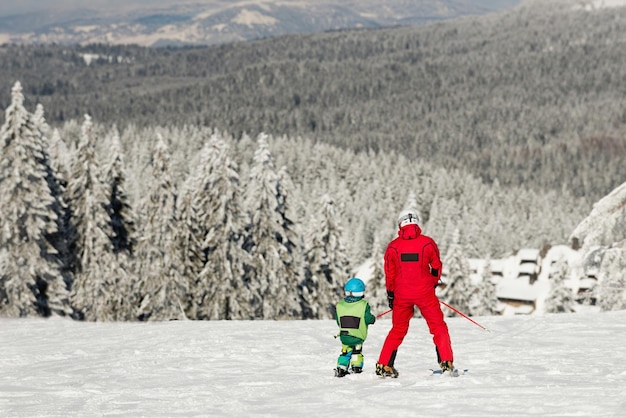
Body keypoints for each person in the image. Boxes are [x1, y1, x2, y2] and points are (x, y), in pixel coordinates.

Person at [375, 208, 454, 378]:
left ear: (400, 223)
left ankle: (384, 364)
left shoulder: (393, 247)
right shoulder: (427, 243)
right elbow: (436, 267)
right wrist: (432, 282)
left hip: (401, 295)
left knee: (397, 330)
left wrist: (391, 294)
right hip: (425, 293)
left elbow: (390, 273)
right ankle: (446, 362)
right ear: (417, 222)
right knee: (438, 327)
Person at [334, 277, 376, 377]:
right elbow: (368, 318)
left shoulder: (340, 305)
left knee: (345, 352)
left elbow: (338, 321)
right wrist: (373, 319)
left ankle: (341, 368)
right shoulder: (363, 305)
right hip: (357, 337)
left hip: (344, 336)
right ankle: (356, 367)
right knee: (357, 351)